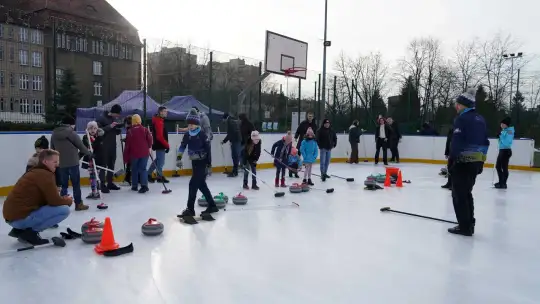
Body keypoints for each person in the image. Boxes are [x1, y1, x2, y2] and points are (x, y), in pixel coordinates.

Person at [3, 149, 72, 245]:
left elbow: (44, 199)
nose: (57, 165)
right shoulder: (45, 175)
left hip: (13, 218)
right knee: (64, 210)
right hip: (19, 219)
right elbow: (54, 201)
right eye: (55, 162)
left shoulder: (35, 172)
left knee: (56, 206)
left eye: (58, 162)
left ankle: (20, 230)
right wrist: (67, 201)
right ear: (45, 162)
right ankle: (30, 233)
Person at [449, 88, 489, 236]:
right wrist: (481, 162)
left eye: (457, 104)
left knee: (459, 195)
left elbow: (457, 143)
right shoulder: (481, 119)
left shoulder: (462, 119)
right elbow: (485, 142)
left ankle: (464, 226)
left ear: (461, 105)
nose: (456, 107)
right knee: (467, 193)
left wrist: (452, 160)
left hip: (463, 162)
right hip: (476, 161)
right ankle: (469, 222)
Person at [177, 109, 219, 217]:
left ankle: (190, 209)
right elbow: (182, 146)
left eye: (192, 124)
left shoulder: (202, 135)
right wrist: (178, 158)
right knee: (201, 185)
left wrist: (209, 165)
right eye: (189, 124)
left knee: (193, 184)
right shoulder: (187, 135)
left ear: (197, 124)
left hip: (203, 163)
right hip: (194, 162)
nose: (190, 126)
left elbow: (208, 150)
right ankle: (212, 205)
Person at [51, 114, 92, 211]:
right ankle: (78, 204)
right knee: (76, 184)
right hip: (73, 162)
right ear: (71, 124)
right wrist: (89, 153)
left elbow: (52, 149)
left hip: (61, 163)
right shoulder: (71, 133)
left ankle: (62, 204)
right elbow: (81, 146)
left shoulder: (54, 134)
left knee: (63, 185)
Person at [97, 104, 122, 193]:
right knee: (103, 165)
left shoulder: (114, 119)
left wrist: (118, 129)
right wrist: (110, 126)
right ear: (113, 112)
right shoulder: (102, 118)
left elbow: (115, 131)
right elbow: (98, 131)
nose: (118, 116)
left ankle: (110, 182)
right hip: (103, 145)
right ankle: (102, 184)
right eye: (117, 114)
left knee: (111, 164)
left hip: (112, 145)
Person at [124, 114, 153, 193]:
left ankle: (134, 186)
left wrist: (125, 158)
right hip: (144, 153)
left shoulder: (130, 131)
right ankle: (144, 185)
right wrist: (149, 147)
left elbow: (127, 146)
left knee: (134, 169)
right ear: (140, 121)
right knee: (143, 169)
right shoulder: (145, 129)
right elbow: (150, 140)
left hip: (134, 154)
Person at [81, 121, 104, 200]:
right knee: (92, 177)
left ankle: (97, 191)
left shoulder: (99, 137)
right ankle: (94, 191)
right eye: (90, 128)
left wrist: (99, 138)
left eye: (95, 128)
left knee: (96, 176)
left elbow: (98, 147)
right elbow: (84, 148)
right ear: (87, 129)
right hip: (90, 161)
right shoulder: (85, 137)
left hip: (97, 160)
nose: (93, 130)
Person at [149, 106, 170, 184]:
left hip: (159, 144)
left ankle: (150, 174)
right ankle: (159, 176)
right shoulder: (159, 121)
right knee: (160, 162)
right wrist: (167, 145)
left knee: (158, 160)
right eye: (165, 111)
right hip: (160, 144)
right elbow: (159, 136)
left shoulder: (159, 120)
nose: (166, 113)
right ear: (160, 112)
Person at [495, 117, 514, 189]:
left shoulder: (510, 131)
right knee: (498, 167)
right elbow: (501, 141)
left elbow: (507, 142)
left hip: (506, 151)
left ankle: (504, 183)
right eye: (501, 124)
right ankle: (501, 181)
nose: (501, 125)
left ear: (506, 125)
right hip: (502, 150)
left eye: (503, 124)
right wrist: (499, 136)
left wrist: (500, 136)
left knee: (504, 168)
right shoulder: (504, 130)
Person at [221, 112, 242, 177]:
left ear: (225, 118)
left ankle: (235, 172)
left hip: (236, 141)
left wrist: (224, 141)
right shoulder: (232, 120)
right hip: (236, 140)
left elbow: (230, 133)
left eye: (223, 119)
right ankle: (235, 171)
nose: (223, 121)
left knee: (235, 156)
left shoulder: (230, 122)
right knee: (235, 156)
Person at [121, 115, 133, 186]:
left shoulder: (129, 130)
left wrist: (126, 140)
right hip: (133, 151)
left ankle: (127, 180)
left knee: (129, 166)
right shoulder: (131, 129)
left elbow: (130, 140)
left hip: (130, 152)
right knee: (131, 166)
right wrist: (125, 140)